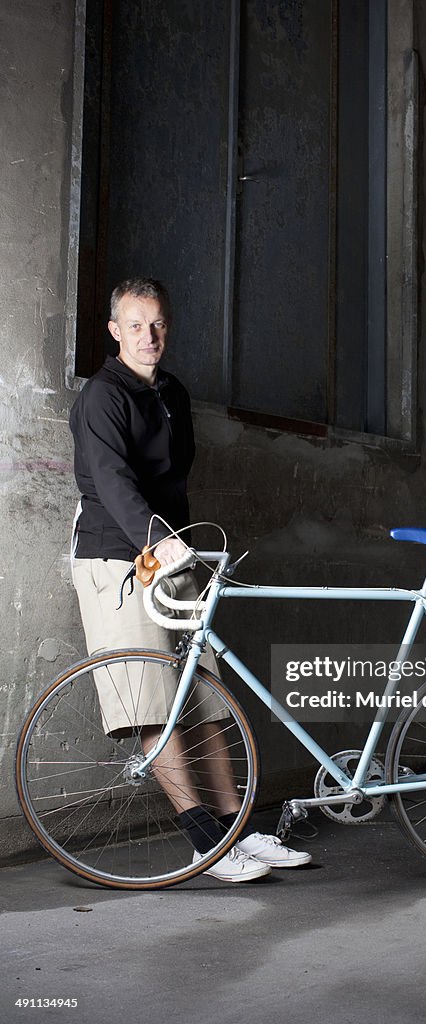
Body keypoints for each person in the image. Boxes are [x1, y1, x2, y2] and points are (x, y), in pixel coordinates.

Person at [69, 277, 311, 881]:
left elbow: (177, 478)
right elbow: (112, 481)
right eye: (134, 325)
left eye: (158, 324)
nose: (148, 336)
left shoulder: (172, 392)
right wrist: (154, 540)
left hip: (173, 554)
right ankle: (207, 844)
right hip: (118, 557)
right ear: (114, 330)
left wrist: (180, 546)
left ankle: (241, 830)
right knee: (154, 700)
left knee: (202, 694)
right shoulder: (103, 396)